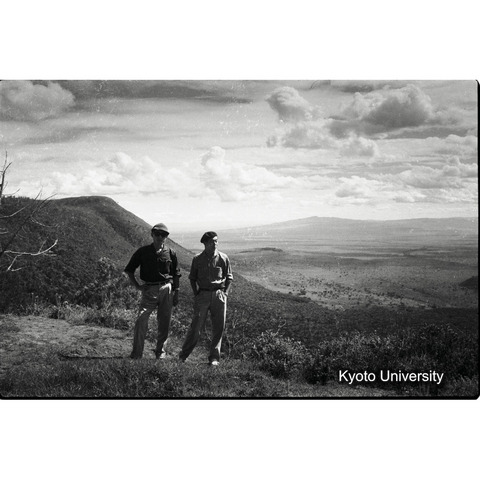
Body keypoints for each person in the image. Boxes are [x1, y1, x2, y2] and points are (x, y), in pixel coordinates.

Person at [124, 223, 181, 359]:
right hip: (149, 289)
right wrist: (138, 286)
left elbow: (176, 274)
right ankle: (136, 354)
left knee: (164, 322)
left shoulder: (171, 252)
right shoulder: (143, 251)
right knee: (141, 319)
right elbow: (129, 270)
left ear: (166, 237)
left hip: (167, 289)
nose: (160, 237)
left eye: (164, 234)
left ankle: (160, 353)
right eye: (157, 234)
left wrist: (176, 292)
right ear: (152, 234)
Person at [179, 231, 233, 366]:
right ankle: (183, 356)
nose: (215, 244)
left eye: (216, 241)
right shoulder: (197, 259)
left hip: (219, 295)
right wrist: (196, 293)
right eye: (212, 242)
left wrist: (225, 294)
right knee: (196, 327)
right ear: (205, 243)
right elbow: (192, 278)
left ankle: (214, 358)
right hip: (202, 294)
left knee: (218, 327)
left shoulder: (223, 258)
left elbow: (229, 277)